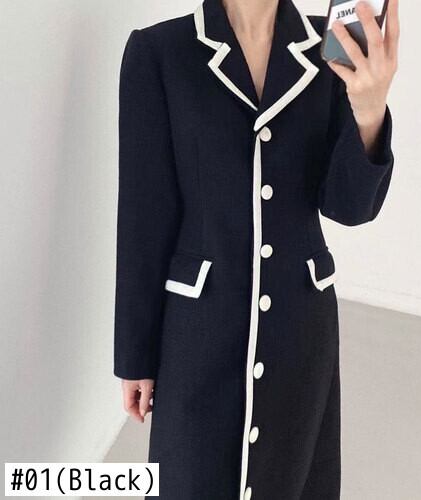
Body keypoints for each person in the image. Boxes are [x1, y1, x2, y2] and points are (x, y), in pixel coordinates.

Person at [114, 0, 399, 498]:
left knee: (289, 477)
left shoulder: (331, 47)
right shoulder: (159, 52)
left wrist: (370, 110)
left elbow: (349, 207)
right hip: (198, 332)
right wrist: (135, 354)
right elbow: (144, 213)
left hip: (299, 328)